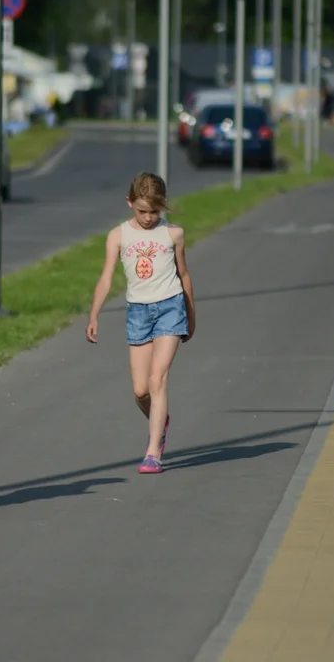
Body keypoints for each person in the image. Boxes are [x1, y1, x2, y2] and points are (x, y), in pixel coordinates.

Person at [85, 172, 196, 474]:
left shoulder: (174, 234)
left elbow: (183, 275)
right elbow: (106, 277)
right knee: (140, 391)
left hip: (170, 308)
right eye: (142, 211)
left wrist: (191, 314)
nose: (148, 218)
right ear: (129, 202)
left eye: (155, 211)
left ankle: (152, 451)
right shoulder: (118, 236)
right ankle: (161, 420)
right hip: (138, 312)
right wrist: (94, 314)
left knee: (157, 379)